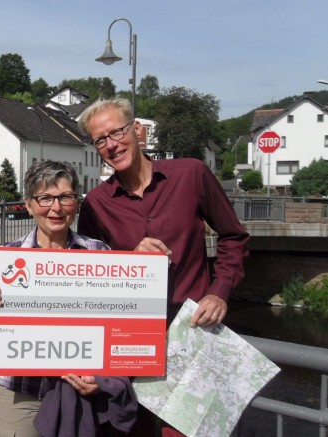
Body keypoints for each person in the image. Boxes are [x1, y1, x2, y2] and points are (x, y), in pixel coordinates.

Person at [75, 98, 250, 436]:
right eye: (100, 140)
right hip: (131, 335)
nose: (111, 144)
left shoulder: (192, 174)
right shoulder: (96, 204)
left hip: (193, 328)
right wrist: (129, 261)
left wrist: (220, 291)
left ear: (137, 131)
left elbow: (233, 237)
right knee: (132, 426)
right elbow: (91, 278)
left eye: (117, 132)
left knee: (188, 430)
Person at [0, 160, 138, 437]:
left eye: (65, 197)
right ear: (28, 204)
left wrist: (102, 378)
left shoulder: (100, 254)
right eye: (45, 198)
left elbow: (117, 328)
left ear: (77, 202)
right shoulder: (8, 258)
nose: (56, 207)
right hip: (19, 390)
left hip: (79, 391)